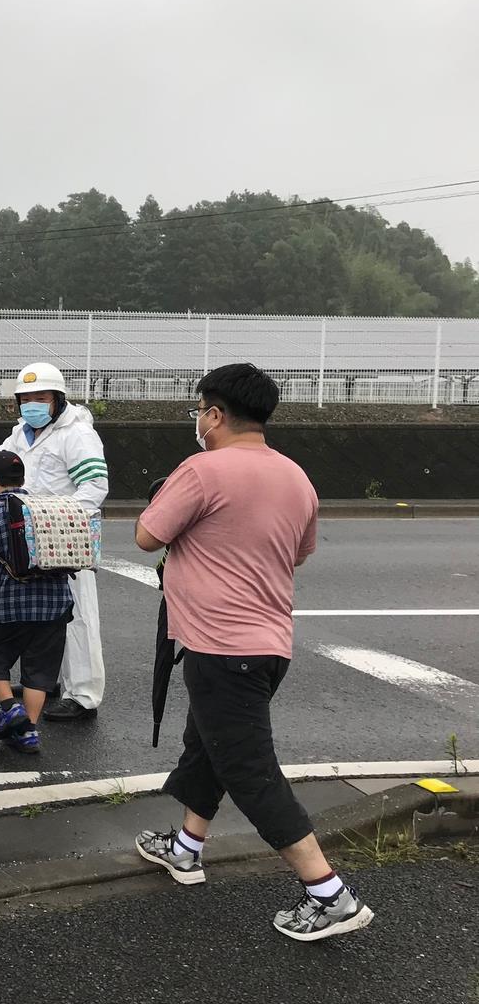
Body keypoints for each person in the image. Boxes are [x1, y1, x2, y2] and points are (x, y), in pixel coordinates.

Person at [133, 364, 374, 941]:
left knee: (248, 769)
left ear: (214, 414)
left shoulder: (201, 469)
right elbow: (297, 553)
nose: (198, 420)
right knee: (210, 747)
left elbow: (147, 535)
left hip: (222, 648)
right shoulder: (296, 476)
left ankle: (330, 895)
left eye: (200, 410)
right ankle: (187, 847)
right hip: (267, 647)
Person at [0, 362, 108, 721]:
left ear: (58, 400)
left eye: (40, 398)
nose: (32, 404)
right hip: (28, 538)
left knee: (77, 615)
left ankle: (83, 694)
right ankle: (45, 682)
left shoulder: (76, 434)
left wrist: (55, 517)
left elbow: (95, 488)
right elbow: (0, 455)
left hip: (65, 539)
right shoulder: (22, 432)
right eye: (25, 399)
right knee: (42, 616)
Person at [0, 451, 75, 756]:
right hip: (55, 604)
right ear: (23, 479)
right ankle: (28, 732)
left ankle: (11, 708)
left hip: (7, 604)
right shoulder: (43, 505)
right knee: (39, 670)